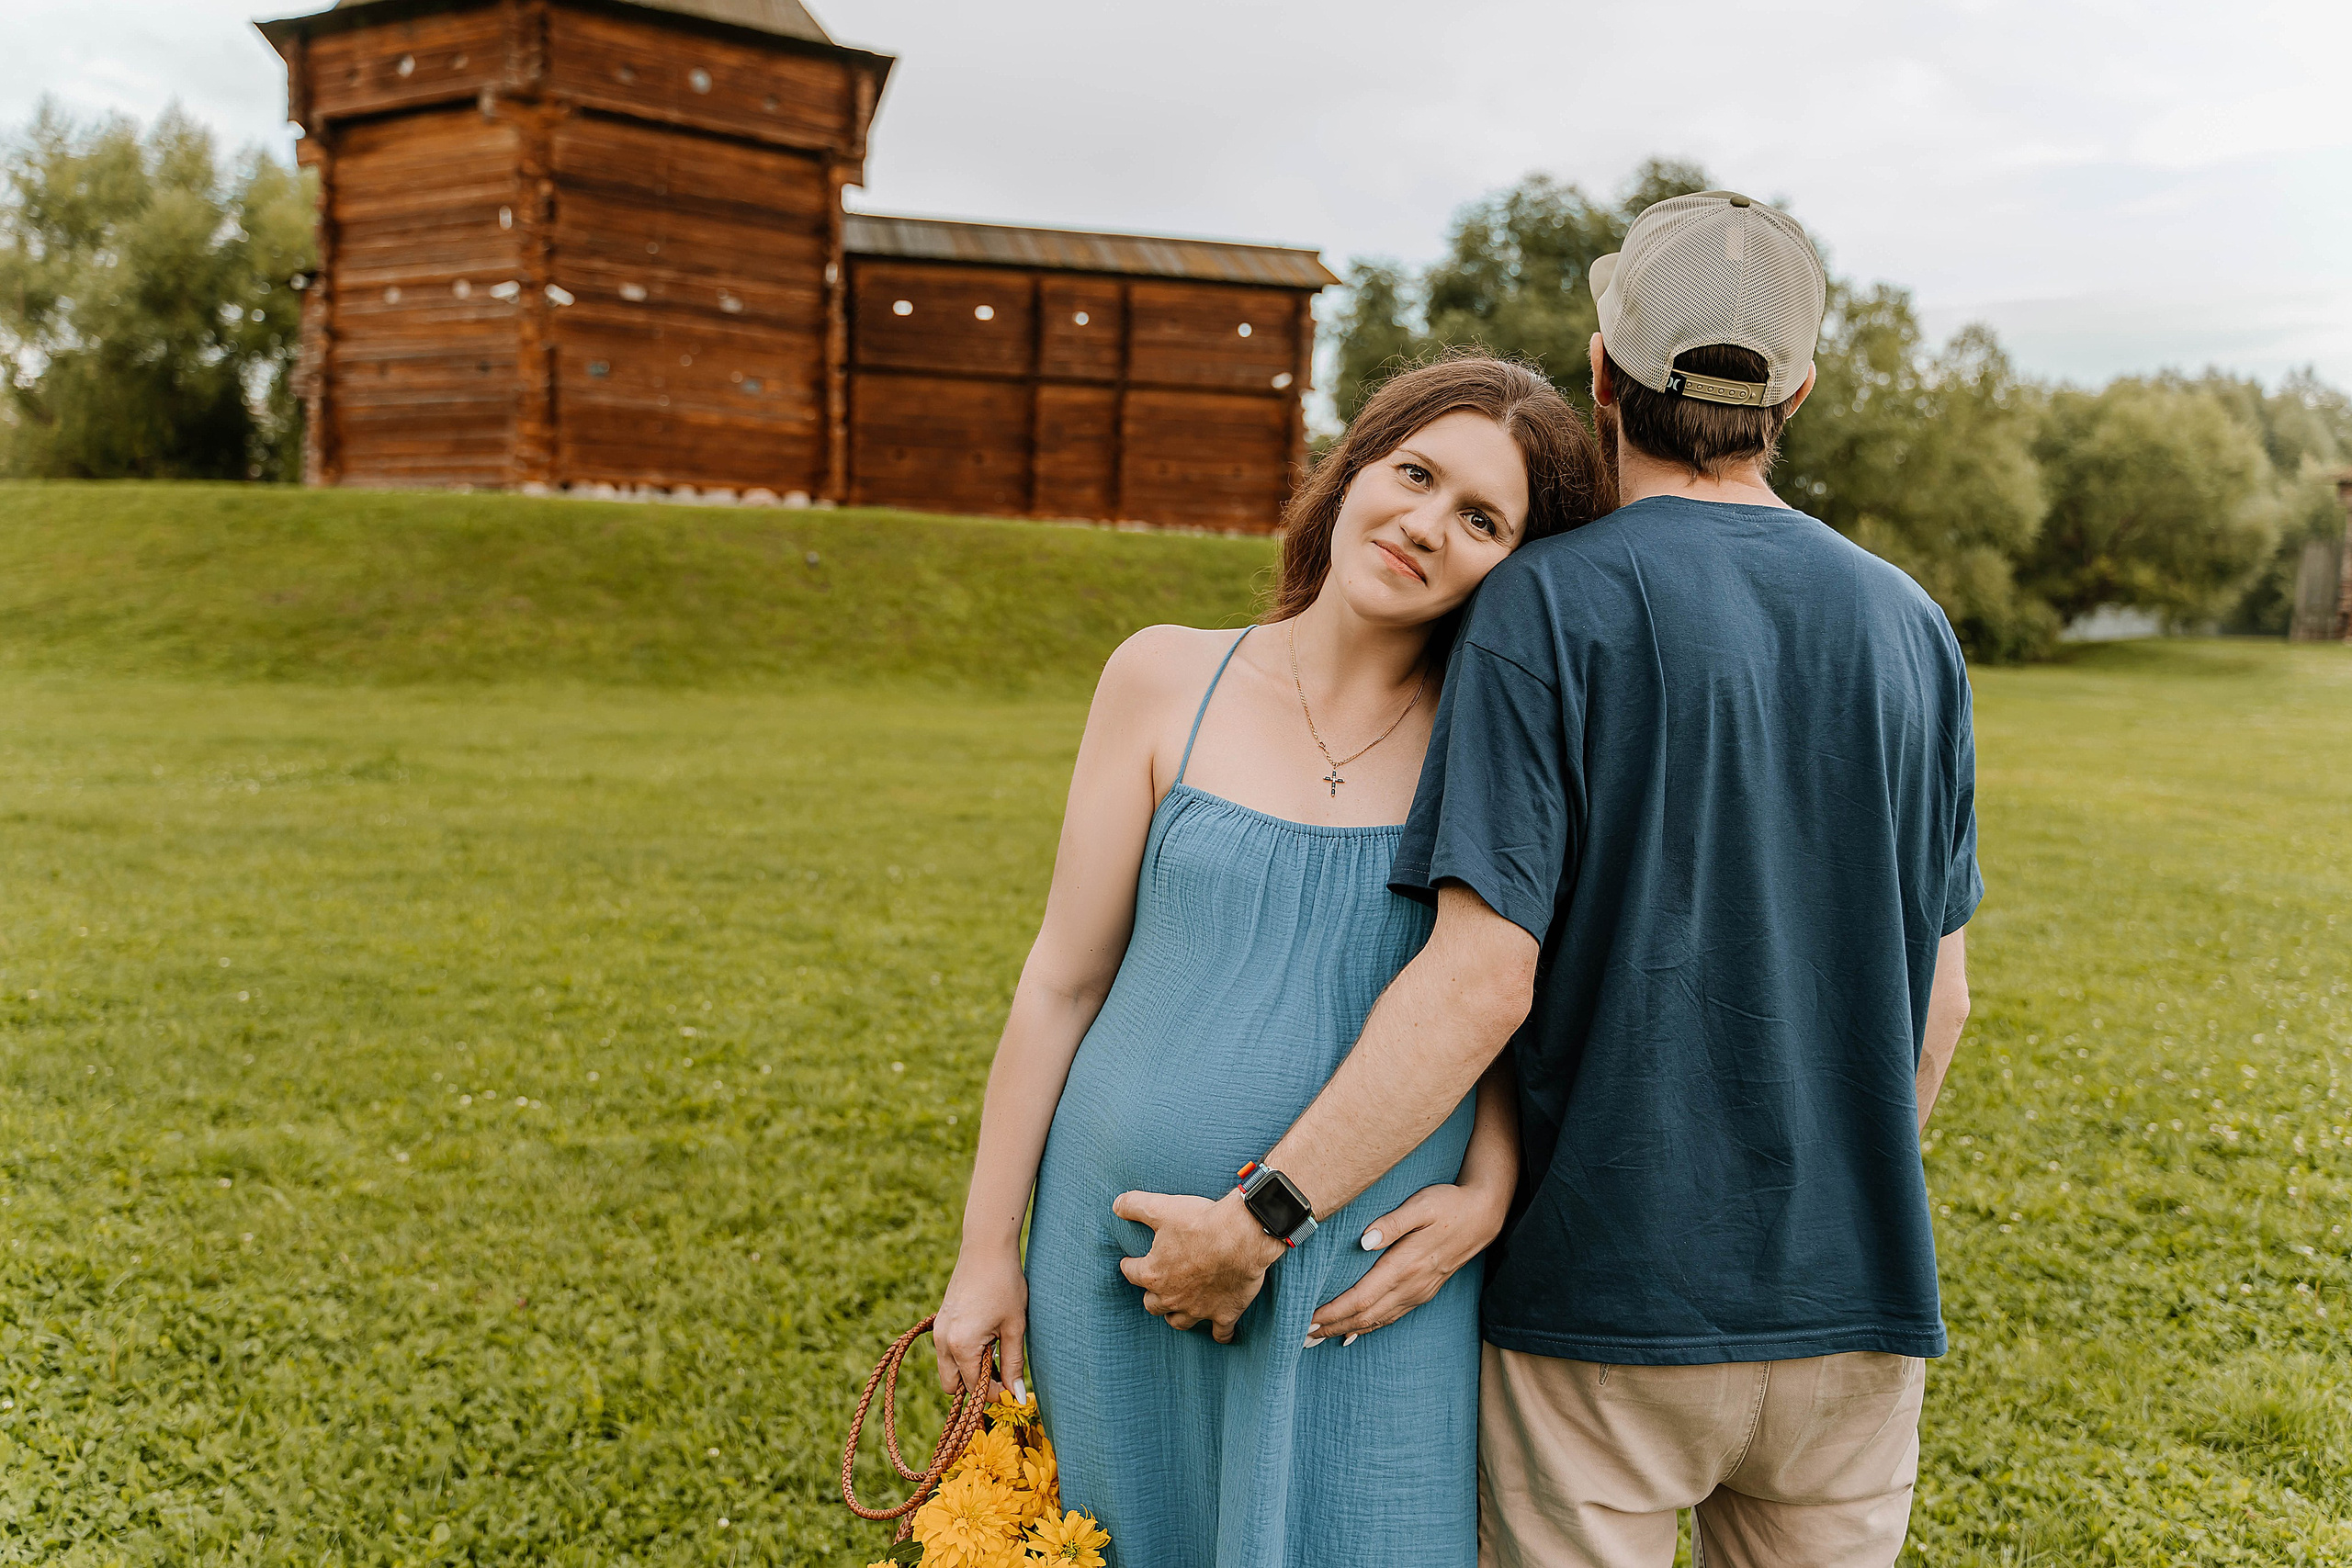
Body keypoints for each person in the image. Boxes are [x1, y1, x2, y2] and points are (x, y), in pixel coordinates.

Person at [1118, 192, 1980, 1568]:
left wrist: (1264, 1217)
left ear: (1599, 374)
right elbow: (1939, 1003)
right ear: (1796, 395)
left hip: (1602, 1319)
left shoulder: (1547, 602)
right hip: (1857, 1321)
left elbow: (1478, 978)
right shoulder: (1914, 629)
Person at [927, 355, 1616, 1568]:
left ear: (1521, 567)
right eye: (1415, 473)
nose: (1423, 526)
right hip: (1118, 1258)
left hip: (1363, 1280)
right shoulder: (1161, 677)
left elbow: (1497, 992)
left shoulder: (1501, 745)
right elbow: (1061, 983)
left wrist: (1494, 1187)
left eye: (1481, 519)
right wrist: (984, 1255)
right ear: (1354, 464)